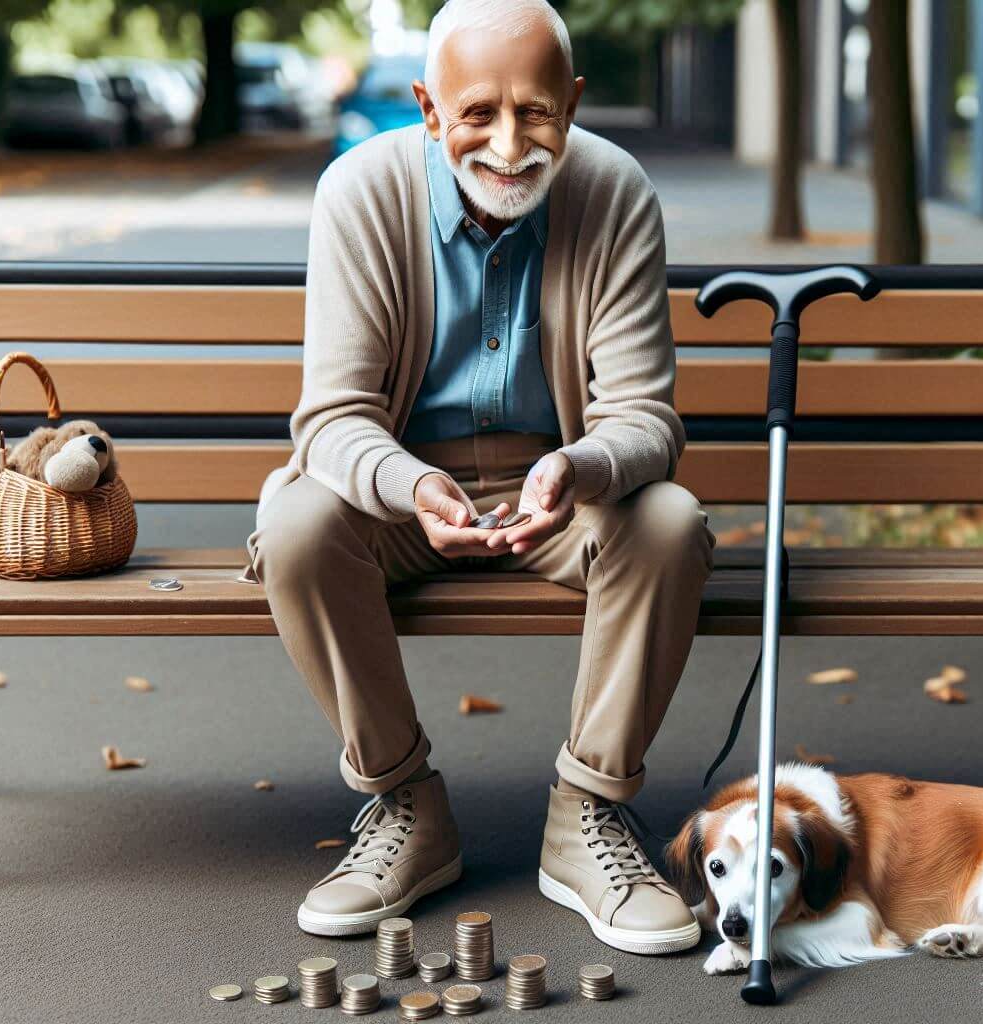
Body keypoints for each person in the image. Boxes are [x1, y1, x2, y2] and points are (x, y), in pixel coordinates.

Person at [238, 0, 715, 955]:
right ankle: (404, 804)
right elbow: (331, 422)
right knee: (294, 526)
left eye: (537, 112)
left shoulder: (615, 191)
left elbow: (647, 422)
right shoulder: (359, 193)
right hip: (400, 492)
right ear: (425, 105)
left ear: (573, 103)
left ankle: (589, 815)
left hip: (562, 490)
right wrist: (413, 486)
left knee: (669, 522)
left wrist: (577, 468)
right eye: (477, 113)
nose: (509, 145)